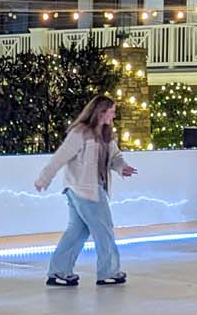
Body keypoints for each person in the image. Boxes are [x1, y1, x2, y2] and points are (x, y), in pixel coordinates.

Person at [34, 95, 138, 287]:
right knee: (104, 230)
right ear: (101, 112)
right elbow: (60, 158)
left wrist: (122, 167)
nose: (114, 115)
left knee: (77, 231)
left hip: (87, 189)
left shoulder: (106, 134)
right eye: (111, 111)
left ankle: (59, 271)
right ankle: (109, 272)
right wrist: (44, 179)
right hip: (84, 190)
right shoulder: (80, 133)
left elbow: (115, 157)